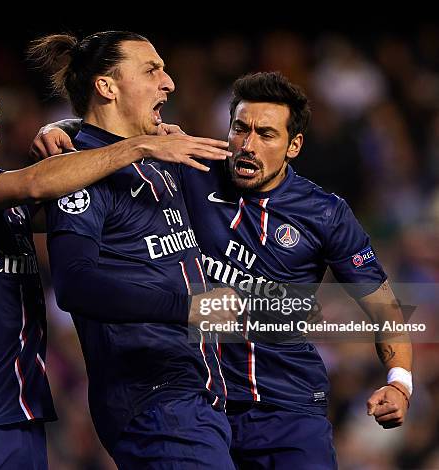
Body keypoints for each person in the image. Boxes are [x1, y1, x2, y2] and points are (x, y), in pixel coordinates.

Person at [35, 71, 413, 469]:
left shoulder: (325, 213)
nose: (248, 145)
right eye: (240, 129)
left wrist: (399, 382)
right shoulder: (189, 168)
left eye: (266, 134)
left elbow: (382, 304)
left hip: (289, 407)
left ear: (294, 145)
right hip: (203, 404)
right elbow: (119, 129)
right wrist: (59, 127)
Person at [0, 55, 231, 469]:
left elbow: (78, 201)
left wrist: (62, 128)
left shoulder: (1, 197)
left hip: (21, 413)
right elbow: (37, 182)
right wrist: (138, 145)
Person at [27, 32, 235, 469]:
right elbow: (74, 284)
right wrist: (188, 307)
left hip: (200, 393)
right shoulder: (78, 172)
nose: (169, 82)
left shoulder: (160, 158)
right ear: (107, 86)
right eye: (151, 70)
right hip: (154, 398)